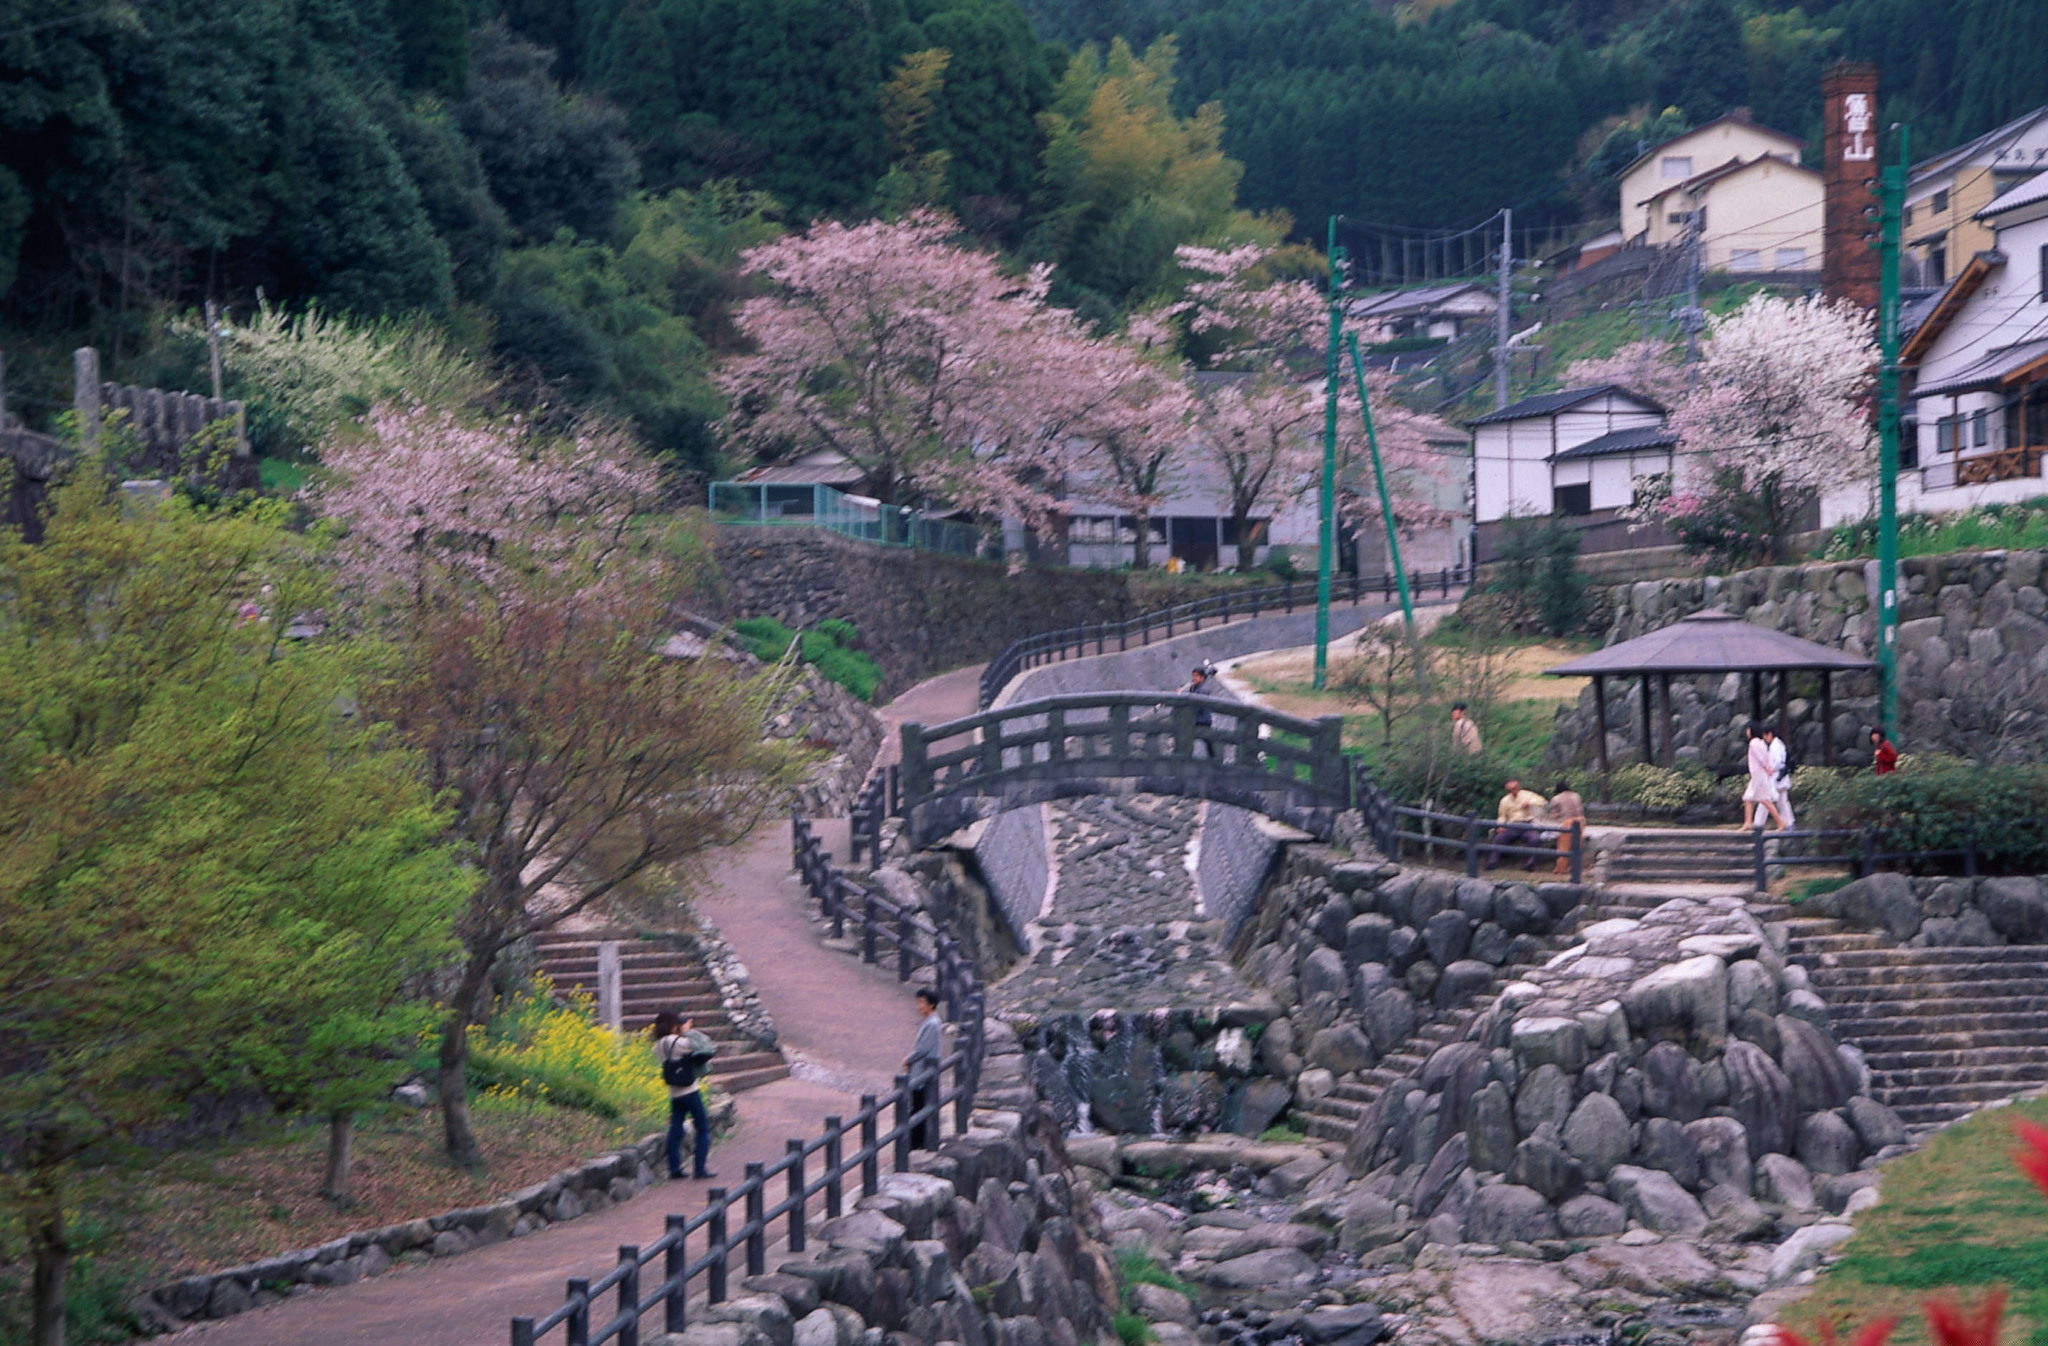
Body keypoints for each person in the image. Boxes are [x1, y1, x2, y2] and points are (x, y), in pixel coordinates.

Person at [653, 1011, 718, 1180]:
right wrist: (687, 1030)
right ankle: (700, 1169)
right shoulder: (679, 1042)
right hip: (690, 1091)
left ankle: (675, 1170)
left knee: (675, 1131)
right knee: (703, 1129)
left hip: (675, 1094)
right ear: (673, 1025)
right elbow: (704, 1046)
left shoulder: (658, 1045)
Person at [903, 988, 944, 1149]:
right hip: (922, 1069)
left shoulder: (932, 1024)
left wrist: (908, 1059)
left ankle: (915, 1142)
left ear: (931, 1005)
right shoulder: (930, 1022)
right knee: (919, 1106)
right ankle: (918, 1141)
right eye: (918, 1002)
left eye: (922, 1002)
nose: (919, 1006)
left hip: (922, 1071)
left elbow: (923, 1049)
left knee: (918, 1107)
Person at [1492, 778, 1548, 871]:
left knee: (1534, 839)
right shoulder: (1504, 800)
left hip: (1528, 824)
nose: (1513, 791)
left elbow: (1542, 801)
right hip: (1512, 825)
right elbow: (1502, 815)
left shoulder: (1528, 795)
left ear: (1518, 787)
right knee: (1499, 838)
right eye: (1510, 790)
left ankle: (1530, 863)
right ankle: (1493, 862)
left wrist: (1530, 803)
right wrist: (1500, 825)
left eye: (1515, 788)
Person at [1741, 723, 1788, 831]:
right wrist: (1768, 767)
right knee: (1748, 798)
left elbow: (1761, 758)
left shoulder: (1754, 743)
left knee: (1764, 800)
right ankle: (1748, 822)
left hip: (1758, 774)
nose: (1747, 732)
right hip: (1757, 774)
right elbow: (1766, 756)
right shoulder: (1761, 743)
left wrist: (1767, 767)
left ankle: (1780, 822)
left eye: (1748, 730)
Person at [1546, 778, 1585, 876]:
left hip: (1568, 822)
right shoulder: (1576, 795)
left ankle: (1560, 869)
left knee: (1564, 847)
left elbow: (1555, 815)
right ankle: (1574, 867)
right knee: (1576, 845)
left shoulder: (1556, 798)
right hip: (1581, 821)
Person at [1179, 664, 1218, 758]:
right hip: (1196, 720)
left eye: (1196, 676)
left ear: (1202, 678)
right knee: (1207, 743)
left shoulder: (1203, 690)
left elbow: (1196, 705)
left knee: (1208, 742)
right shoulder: (1194, 687)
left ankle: (1214, 759)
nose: (1194, 678)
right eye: (1193, 676)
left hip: (1202, 721)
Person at [1766, 727, 1794, 828]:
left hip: (1777, 775)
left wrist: (1769, 769)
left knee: (1767, 800)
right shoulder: (1778, 744)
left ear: (1769, 734)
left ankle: (1759, 823)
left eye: (1765, 736)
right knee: (1782, 801)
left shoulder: (1775, 746)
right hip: (1779, 776)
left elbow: (1778, 762)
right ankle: (1788, 822)